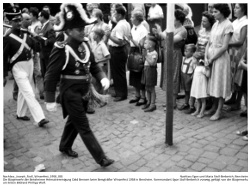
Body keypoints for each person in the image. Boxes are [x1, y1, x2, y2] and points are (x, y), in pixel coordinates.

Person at [44, 3, 114, 167]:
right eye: (78, 29)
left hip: (85, 91)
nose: (83, 31)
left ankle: (64, 145)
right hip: (70, 93)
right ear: (68, 31)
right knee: (83, 126)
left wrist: (102, 77)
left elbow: (94, 65)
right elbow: (51, 74)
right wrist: (49, 99)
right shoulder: (62, 49)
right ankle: (101, 158)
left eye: (83, 28)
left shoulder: (85, 44)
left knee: (74, 121)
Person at [3, 5, 49, 127]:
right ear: (11, 22)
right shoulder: (7, 38)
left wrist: (35, 35)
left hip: (29, 65)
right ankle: (40, 118)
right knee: (29, 92)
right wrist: (3, 75)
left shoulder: (26, 34)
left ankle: (20, 113)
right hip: (17, 68)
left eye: (19, 20)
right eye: (16, 21)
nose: (18, 23)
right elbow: (3, 57)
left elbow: (37, 48)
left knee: (23, 92)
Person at [153, 9, 187, 109]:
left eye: (174, 17)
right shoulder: (170, 27)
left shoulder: (183, 30)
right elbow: (162, 36)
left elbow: (171, 39)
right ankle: (169, 101)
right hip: (167, 53)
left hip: (175, 54)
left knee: (174, 76)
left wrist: (160, 32)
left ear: (178, 19)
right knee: (167, 76)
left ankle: (173, 102)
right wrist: (157, 33)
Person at [205, 4, 233, 121]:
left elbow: (224, 47)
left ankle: (219, 110)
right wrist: (206, 56)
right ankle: (214, 106)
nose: (213, 13)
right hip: (211, 55)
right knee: (213, 82)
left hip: (220, 58)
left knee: (220, 83)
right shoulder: (215, 24)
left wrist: (212, 58)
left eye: (216, 11)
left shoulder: (228, 25)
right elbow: (209, 42)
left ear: (222, 12)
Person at [184, 11, 215, 114]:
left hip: (207, 58)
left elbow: (211, 47)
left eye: (205, 21)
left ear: (210, 22)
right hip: (198, 58)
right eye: (202, 21)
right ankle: (195, 104)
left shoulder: (213, 32)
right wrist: (195, 56)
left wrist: (205, 57)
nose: (202, 23)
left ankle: (209, 103)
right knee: (197, 81)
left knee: (207, 80)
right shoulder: (201, 31)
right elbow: (197, 44)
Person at [225, 3, 248, 111]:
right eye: (234, 7)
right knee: (232, 75)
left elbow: (241, 41)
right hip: (231, 52)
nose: (234, 9)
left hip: (239, 52)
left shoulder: (245, 22)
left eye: (237, 7)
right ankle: (233, 97)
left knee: (239, 77)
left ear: (243, 10)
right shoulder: (235, 21)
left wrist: (227, 44)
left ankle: (238, 103)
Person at [107, 5, 131, 102]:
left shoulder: (121, 25)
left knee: (118, 72)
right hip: (121, 50)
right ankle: (119, 92)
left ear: (120, 15)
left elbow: (120, 41)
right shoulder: (125, 23)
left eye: (115, 13)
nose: (114, 15)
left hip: (118, 50)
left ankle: (121, 94)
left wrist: (109, 36)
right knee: (118, 72)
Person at [128, 10, 148, 106]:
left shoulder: (143, 29)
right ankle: (137, 95)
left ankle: (143, 97)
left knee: (140, 73)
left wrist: (131, 38)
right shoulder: (133, 28)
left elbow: (141, 45)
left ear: (137, 19)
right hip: (132, 50)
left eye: (132, 17)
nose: (131, 19)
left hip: (139, 52)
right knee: (133, 73)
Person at [37, 10, 56, 79]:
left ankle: (49, 88)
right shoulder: (43, 26)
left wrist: (39, 38)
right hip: (43, 53)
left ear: (43, 17)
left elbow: (51, 41)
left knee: (48, 73)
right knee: (44, 72)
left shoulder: (49, 27)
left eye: (39, 16)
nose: (38, 18)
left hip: (47, 53)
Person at [91, 28, 111, 94]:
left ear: (97, 36)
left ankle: (103, 97)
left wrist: (98, 60)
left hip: (102, 66)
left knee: (102, 83)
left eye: (94, 34)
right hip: (96, 66)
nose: (92, 35)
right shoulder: (94, 44)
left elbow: (108, 56)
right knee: (96, 83)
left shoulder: (102, 45)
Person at [141, 36, 158, 112]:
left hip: (151, 71)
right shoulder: (148, 52)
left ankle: (153, 104)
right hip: (146, 70)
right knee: (147, 87)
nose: (144, 45)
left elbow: (152, 63)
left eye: (145, 43)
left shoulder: (154, 53)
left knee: (151, 88)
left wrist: (146, 56)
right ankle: (148, 101)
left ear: (150, 45)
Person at [179, 44, 197, 111]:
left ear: (192, 52)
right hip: (184, 76)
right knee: (186, 92)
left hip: (189, 77)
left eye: (187, 51)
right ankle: (186, 103)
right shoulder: (185, 59)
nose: (185, 52)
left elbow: (194, 71)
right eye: (185, 51)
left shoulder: (193, 60)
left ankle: (192, 106)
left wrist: (190, 78)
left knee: (190, 92)